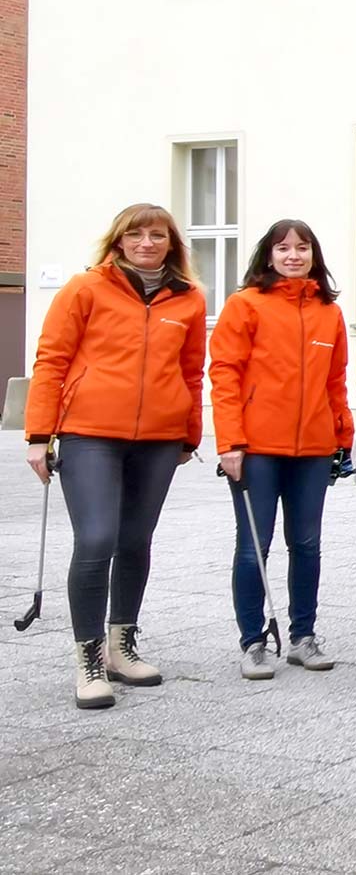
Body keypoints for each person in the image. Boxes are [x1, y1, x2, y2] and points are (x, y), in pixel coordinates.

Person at [25, 203, 206, 709]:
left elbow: (192, 371)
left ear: (171, 245)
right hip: (89, 433)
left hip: (158, 438)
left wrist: (189, 434)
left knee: (135, 539)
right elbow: (52, 359)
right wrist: (39, 435)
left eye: (158, 235)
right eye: (136, 235)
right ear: (119, 241)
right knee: (97, 537)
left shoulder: (189, 299)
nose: (147, 243)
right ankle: (88, 658)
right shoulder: (86, 288)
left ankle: (120, 647)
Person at [209, 219, 355, 680]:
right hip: (256, 448)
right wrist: (229, 442)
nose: (293, 255)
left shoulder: (328, 313)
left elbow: (336, 381)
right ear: (268, 255)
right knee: (255, 546)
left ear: (314, 254)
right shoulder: (245, 305)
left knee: (307, 544)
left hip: (313, 447)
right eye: (283, 247)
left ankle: (303, 637)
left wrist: (341, 437)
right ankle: (253, 641)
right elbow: (224, 375)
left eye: (302, 247)